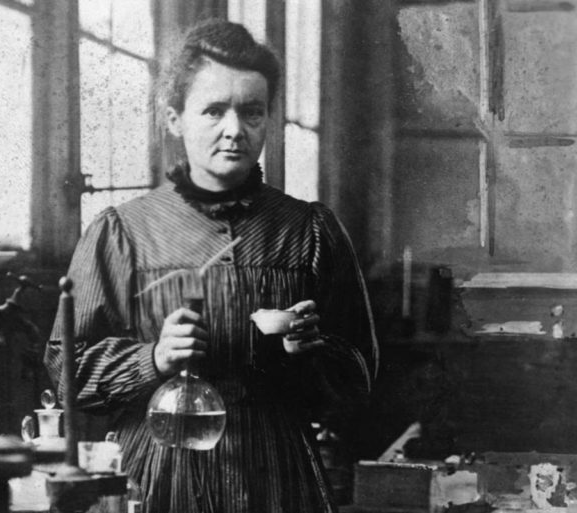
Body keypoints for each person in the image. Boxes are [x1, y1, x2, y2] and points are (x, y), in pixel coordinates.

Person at [45, 20, 378, 513]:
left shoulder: (309, 230)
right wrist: (153, 359)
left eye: (252, 111)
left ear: (268, 119)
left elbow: (359, 376)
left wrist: (308, 353)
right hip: (159, 476)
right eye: (214, 110)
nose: (234, 130)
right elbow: (65, 372)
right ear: (175, 118)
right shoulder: (122, 232)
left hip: (279, 477)